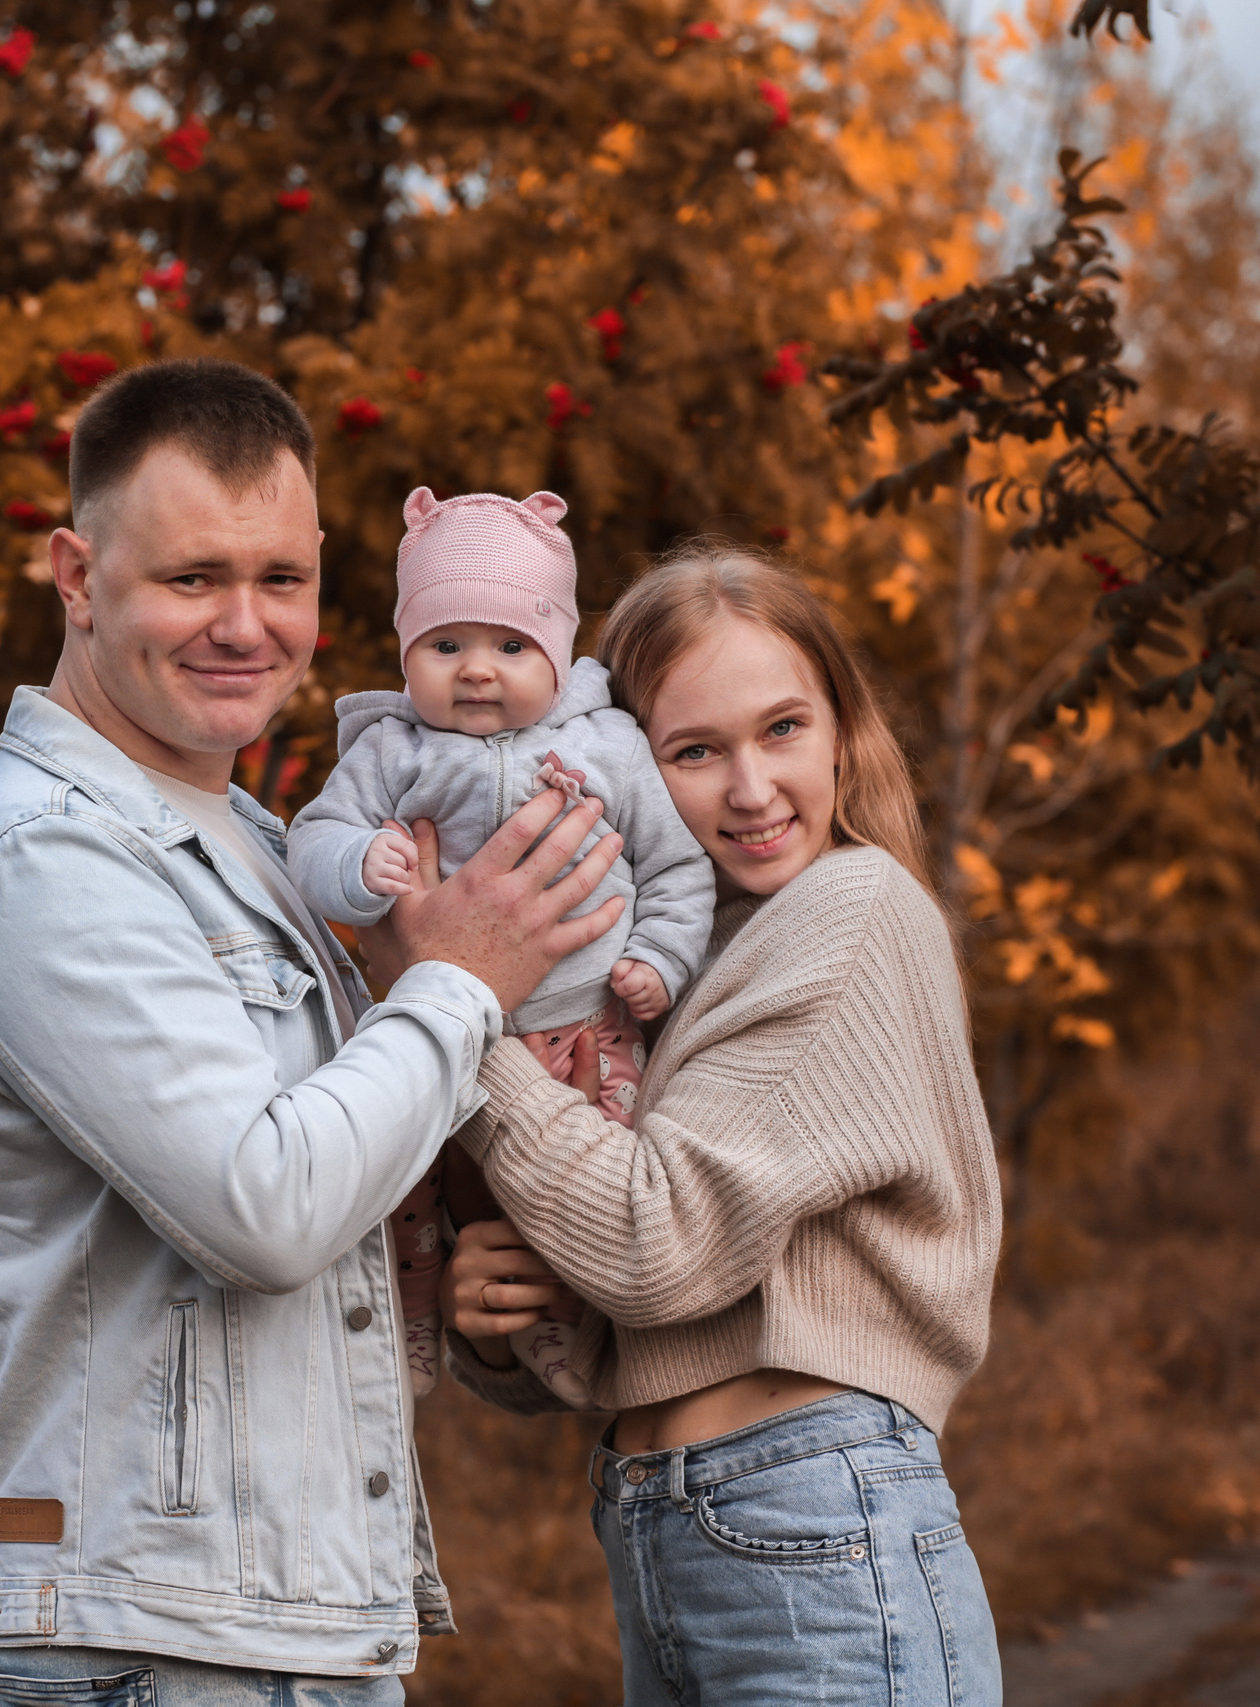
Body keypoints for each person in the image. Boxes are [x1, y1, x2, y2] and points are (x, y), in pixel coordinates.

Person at [0, 359, 625, 1707]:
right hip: (162, 1637)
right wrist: (456, 984)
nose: (246, 624)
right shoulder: (47, 860)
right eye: (192, 578)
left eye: (281, 579)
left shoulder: (266, 846)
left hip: (270, 1621)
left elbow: (351, 1181)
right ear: (76, 573)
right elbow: (265, 1204)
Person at [432, 545, 1007, 1707]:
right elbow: (616, 1321)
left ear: (842, 728)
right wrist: (500, 1321)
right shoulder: (671, 969)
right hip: (670, 1524)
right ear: (620, 768)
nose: (751, 790)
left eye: (783, 729)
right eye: (694, 752)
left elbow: (658, 1244)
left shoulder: (849, 911)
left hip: (813, 1507)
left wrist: (442, 1003)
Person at [287, 486, 712, 1406]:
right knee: (402, 1191)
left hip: (582, 1033)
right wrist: (361, 861)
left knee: (587, 1191)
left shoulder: (608, 747)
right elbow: (310, 840)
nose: (477, 670)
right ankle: (407, 1325)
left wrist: (662, 959)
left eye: (511, 646)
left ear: (558, 653)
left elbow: (677, 869)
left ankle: (565, 1330)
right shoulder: (390, 750)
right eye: (447, 646)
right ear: (408, 657)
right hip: (429, 1027)